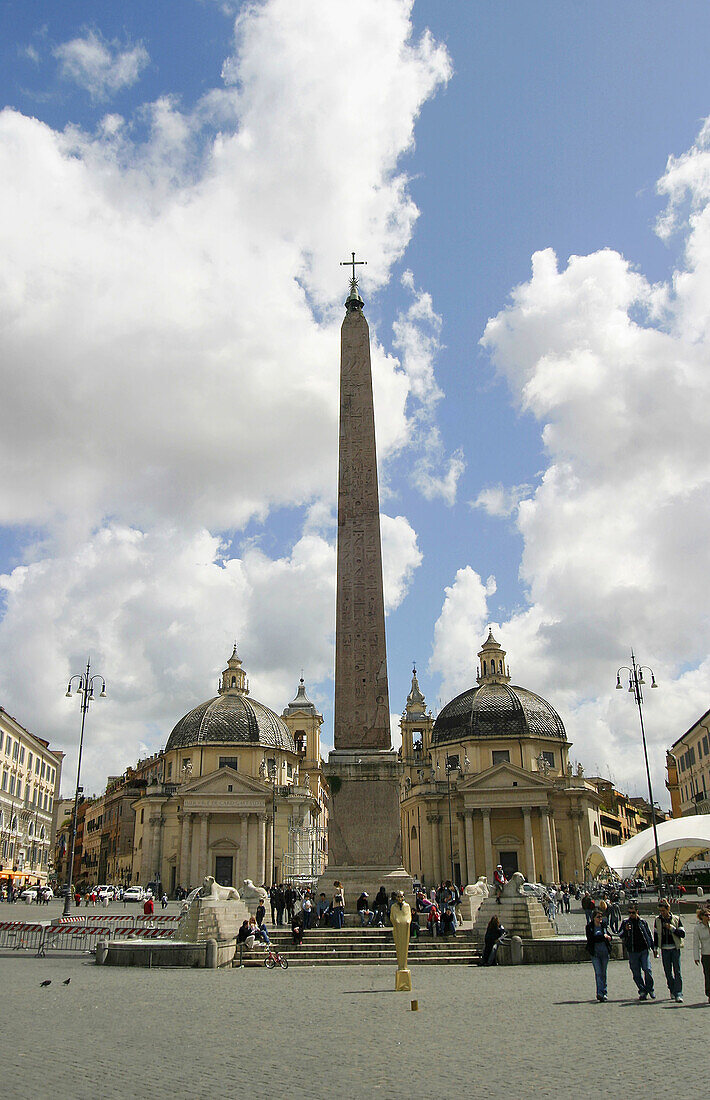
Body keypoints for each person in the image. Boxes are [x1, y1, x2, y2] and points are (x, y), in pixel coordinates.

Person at [618, 902, 657, 1000]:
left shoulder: (643, 922)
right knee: (636, 973)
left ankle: (650, 988)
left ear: (637, 912)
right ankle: (642, 990)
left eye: (633, 912)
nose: (631, 915)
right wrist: (626, 930)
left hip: (644, 949)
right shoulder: (625, 922)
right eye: (629, 913)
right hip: (632, 951)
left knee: (647, 969)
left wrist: (654, 948)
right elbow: (620, 935)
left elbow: (648, 934)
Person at [653, 899, 685, 1002]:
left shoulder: (676, 919)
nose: (662, 913)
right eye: (660, 911)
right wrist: (655, 948)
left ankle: (678, 993)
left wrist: (672, 928)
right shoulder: (658, 920)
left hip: (675, 948)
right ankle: (672, 990)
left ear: (668, 909)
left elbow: (682, 934)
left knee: (677, 971)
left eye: (663, 910)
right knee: (667, 972)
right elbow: (656, 935)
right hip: (664, 949)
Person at [586, 910, 612, 1001]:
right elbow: (591, 939)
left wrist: (609, 937)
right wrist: (603, 937)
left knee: (603, 973)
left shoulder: (603, 926)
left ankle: (604, 992)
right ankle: (599, 993)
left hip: (605, 952)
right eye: (598, 917)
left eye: (601, 917)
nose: (600, 919)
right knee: (598, 973)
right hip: (595, 953)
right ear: (593, 918)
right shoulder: (589, 927)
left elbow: (608, 934)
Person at [693, 907, 710, 1003]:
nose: (708, 917)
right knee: (708, 975)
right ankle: (709, 993)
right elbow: (696, 943)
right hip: (706, 954)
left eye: (709, 915)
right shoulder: (698, 928)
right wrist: (696, 957)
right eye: (706, 915)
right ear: (701, 917)